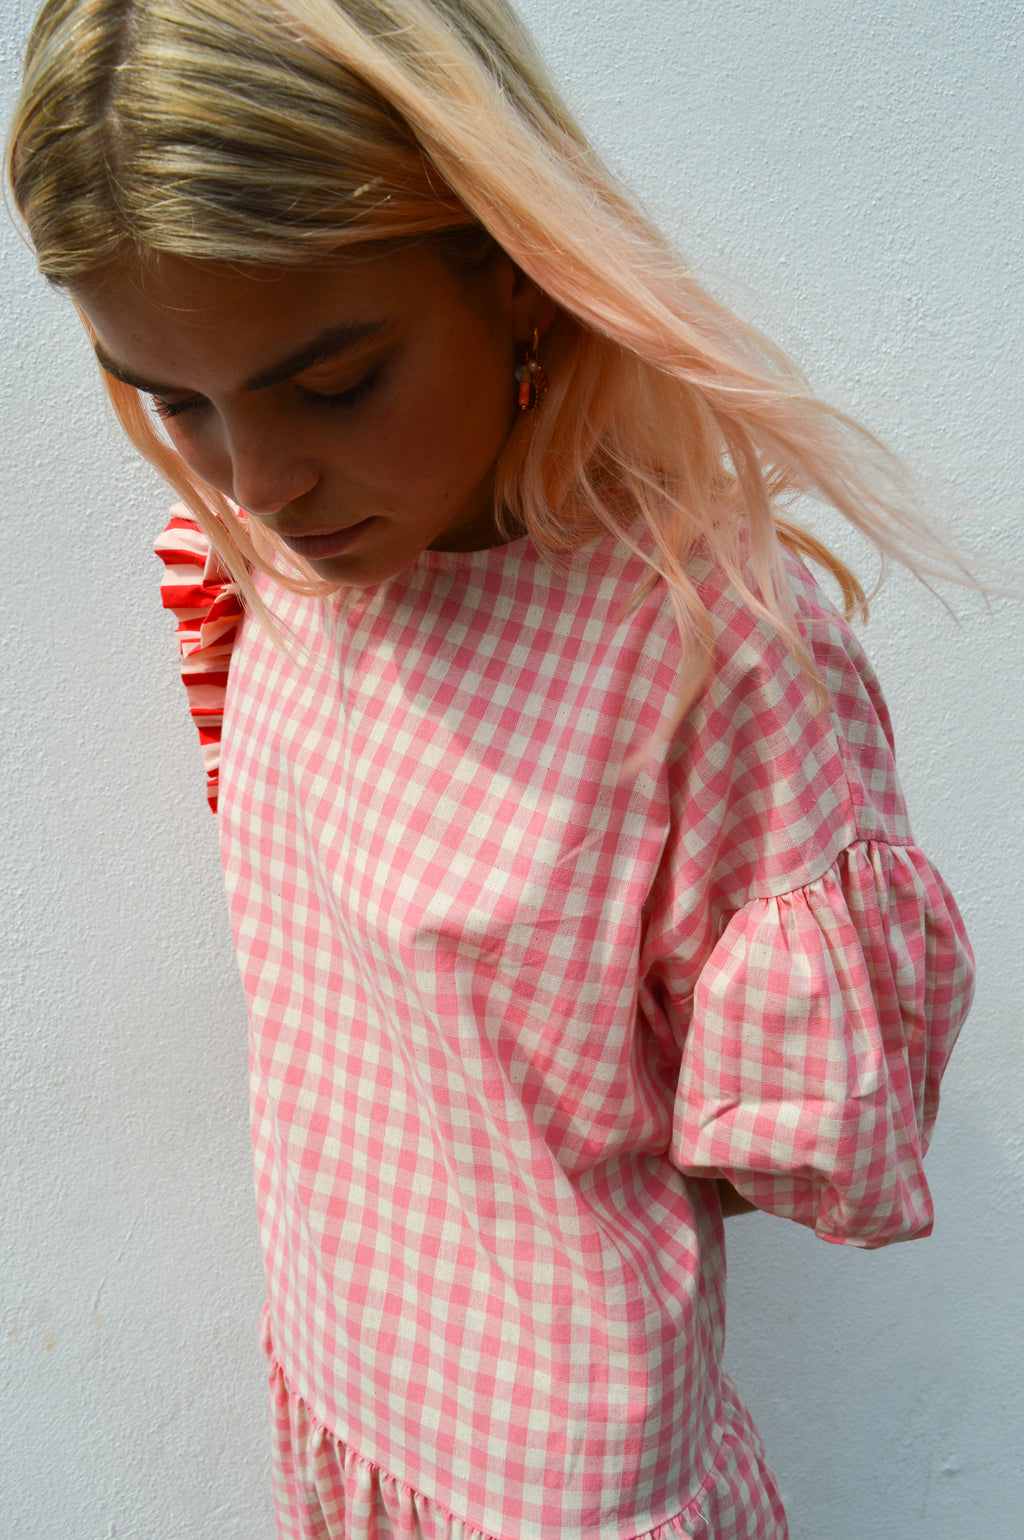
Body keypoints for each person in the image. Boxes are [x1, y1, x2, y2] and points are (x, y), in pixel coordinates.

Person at [6, 2, 976, 1536]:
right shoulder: (270, 560)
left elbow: (768, 1142)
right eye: (176, 401)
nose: (258, 478)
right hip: (343, 1359)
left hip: (550, 1472)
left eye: (335, 383)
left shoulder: (699, 649)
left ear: (514, 271)